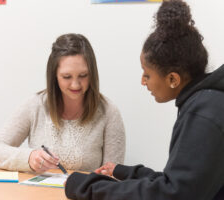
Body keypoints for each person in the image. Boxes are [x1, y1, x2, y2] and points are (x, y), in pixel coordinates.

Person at [64, 1, 224, 199]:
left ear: (173, 79)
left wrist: (89, 188)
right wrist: (127, 172)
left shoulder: (202, 113)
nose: (143, 81)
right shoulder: (207, 102)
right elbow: (180, 182)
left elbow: (174, 194)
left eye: (147, 75)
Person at [0, 33, 126, 173]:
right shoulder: (36, 105)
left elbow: (115, 175)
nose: (75, 85)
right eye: (66, 77)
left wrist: (102, 178)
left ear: (92, 74)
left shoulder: (108, 112)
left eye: (83, 75)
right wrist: (29, 157)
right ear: (54, 76)